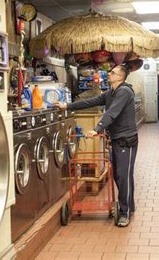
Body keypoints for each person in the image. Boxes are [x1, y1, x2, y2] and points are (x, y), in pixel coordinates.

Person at [54, 65, 138, 227]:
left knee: (123, 175)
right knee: (120, 175)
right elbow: (90, 101)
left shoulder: (124, 92)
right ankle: (130, 205)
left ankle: (124, 213)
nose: (109, 73)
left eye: (113, 72)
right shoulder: (111, 92)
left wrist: (96, 128)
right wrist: (67, 106)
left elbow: (112, 113)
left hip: (126, 140)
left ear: (120, 77)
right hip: (116, 139)